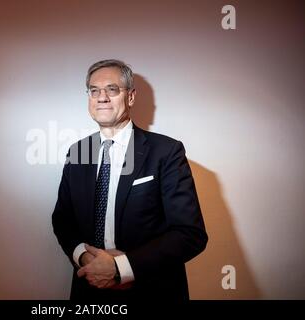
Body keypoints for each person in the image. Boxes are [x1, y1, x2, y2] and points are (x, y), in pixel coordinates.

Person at [52, 59, 208, 301]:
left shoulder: (166, 151)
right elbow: (62, 220)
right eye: (94, 91)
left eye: (112, 89)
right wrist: (84, 257)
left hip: (150, 290)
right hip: (89, 289)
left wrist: (120, 268)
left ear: (131, 97)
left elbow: (189, 234)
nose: (101, 97)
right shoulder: (77, 152)